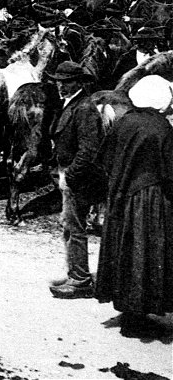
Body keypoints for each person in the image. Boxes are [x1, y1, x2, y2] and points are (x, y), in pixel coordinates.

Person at [95, 75, 173, 337]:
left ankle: (128, 311)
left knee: (124, 250)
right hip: (152, 199)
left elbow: (103, 159)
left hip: (122, 195)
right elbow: (170, 171)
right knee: (146, 253)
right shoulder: (161, 127)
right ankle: (140, 314)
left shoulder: (124, 122)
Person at [47, 61, 105, 299]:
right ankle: (75, 271)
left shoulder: (84, 108)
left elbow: (89, 149)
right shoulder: (72, 104)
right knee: (69, 227)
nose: (62, 86)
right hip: (69, 173)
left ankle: (80, 280)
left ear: (79, 83)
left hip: (78, 178)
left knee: (75, 227)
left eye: (67, 82)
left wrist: (69, 176)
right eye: (60, 82)